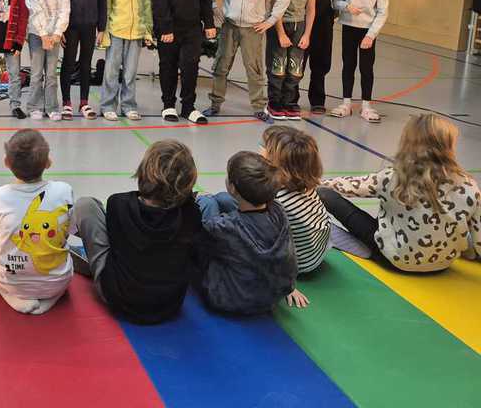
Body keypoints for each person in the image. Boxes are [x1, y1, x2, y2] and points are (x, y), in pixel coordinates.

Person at [318, 113, 481, 271]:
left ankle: (353, 244)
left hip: (395, 260)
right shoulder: (469, 186)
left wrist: (318, 183)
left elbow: (350, 186)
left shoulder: (394, 177)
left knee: (327, 195)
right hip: (443, 264)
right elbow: (478, 237)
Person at [71, 139, 203, 324]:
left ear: (144, 172)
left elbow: (114, 242)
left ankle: (88, 260)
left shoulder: (118, 203)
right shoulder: (191, 213)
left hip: (118, 298)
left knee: (86, 205)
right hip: (169, 304)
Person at [0, 129, 74, 315]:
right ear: (48, 162)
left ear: (6, 162)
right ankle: (52, 295)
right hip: (58, 281)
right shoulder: (64, 190)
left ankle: (9, 294)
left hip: (13, 283)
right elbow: (67, 233)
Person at [195, 151, 297, 314]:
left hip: (228, 298)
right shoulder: (279, 212)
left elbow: (199, 248)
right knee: (222, 198)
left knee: (206, 202)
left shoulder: (225, 227)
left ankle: (205, 200)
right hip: (270, 298)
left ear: (232, 187)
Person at [204, 0, 291, 122]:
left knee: (254, 69)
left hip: (253, 29)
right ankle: (215, 104)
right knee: (221, 66)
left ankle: (259, 107)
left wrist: (270, 20)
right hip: (230, 26)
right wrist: (214, 7)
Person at [149, 0, 215, 124]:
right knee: (168, 65)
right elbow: (159, 0)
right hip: (169, 28)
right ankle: (168, 105)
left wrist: (209, 23)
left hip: (192, 27)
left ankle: (188, 107)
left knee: (190, 65)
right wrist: (166, 28)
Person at [261, 126, 330, 308]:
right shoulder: (305, 184)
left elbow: (276, 245)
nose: (261, 150)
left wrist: (285, 282)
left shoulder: (277, 199)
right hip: (318, 252)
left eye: (265, 148)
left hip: (301, 263)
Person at [330, 0, 389, 123]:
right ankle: (346, 104)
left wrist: (371, 35)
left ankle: (366, 106)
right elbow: (336, 1)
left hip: (368, 31)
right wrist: (347, 6)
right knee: (348, 65)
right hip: (349, 28)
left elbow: (383, 11)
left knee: (366, 68)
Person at [100, 0, 153, 121]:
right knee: (111, 72)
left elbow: (147, 9)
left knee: (130, 73)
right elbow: (106, 10)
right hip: (116, 33)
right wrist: (104, 33)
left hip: (136, 34)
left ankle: (129, 106)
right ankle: (108, 106)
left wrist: (147, 32)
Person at [266, 0, 317, 120]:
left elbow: (310, 8)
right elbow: (275, 6)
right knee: (278, 65)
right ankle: (274, 102)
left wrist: (307, 34)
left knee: (296, 67)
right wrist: (280, 33)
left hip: (299, 25)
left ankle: (288, 101)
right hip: (280, 24)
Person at [59, 0, 107, 120]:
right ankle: (66, 102)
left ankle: (84, 102)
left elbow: (102, 3)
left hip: (89, 27)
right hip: (70, 27)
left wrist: (101, 28)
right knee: (68, 63)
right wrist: (60, 29)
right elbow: (60, 4)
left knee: (86, 64)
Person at [25, 0, 70, 121]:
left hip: (54, 36)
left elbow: (65, 10)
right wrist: (44, 35)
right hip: (37, 36)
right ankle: (34, 106)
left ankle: (52, 107)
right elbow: (35, 13)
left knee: (51, 74)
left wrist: (58, 33)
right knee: (36, 73)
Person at [304, 0, 339, 113]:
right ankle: (290, 99)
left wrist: (335, 14)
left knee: (320, 64)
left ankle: (317, 100)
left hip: (324, 25)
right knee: (298, 62)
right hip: (304, 23)